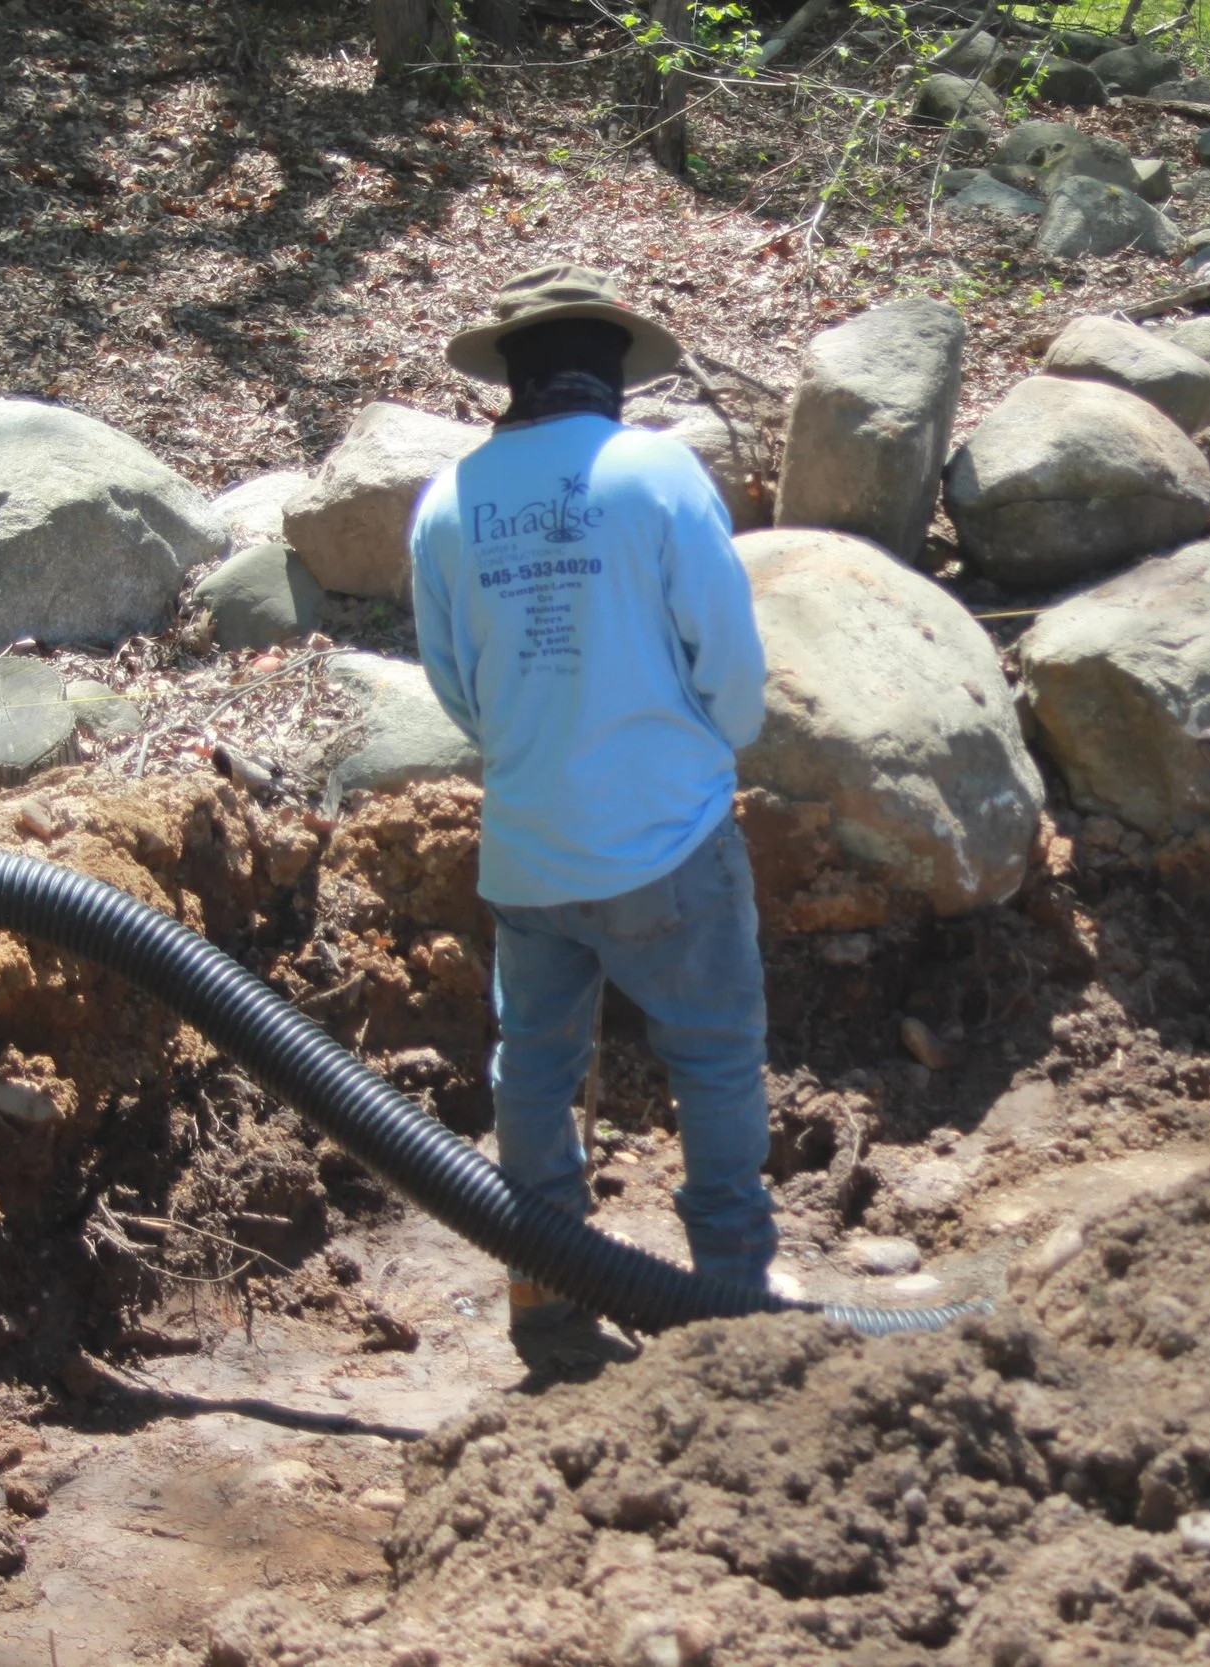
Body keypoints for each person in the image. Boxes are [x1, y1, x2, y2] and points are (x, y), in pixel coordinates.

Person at [409, 264, 776, 1364]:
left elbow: (452, 686)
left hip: (528, 848)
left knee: (533, 1066)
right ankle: (728, 1299)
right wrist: (717, 741)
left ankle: (547, 1295)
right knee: (712, 1058)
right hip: (667, 836)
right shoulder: (655, 471)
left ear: (509, 378)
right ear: (613, 373)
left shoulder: (447, 500)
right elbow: (730, 653)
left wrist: (533, 746)